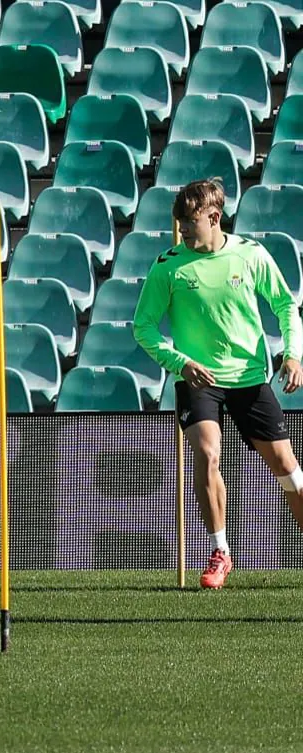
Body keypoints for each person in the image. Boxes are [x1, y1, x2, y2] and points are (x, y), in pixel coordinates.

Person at [134, 177, 303, 589]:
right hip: (198, 378)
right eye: (179, 223)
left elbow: (285, 305)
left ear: (214, 217)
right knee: (208, 453)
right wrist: (180, 361)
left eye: (190, 222)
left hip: (249, 379)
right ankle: (221, 551)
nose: (183, 230)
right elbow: (144, 327)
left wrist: (294, 353)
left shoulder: (250, 255)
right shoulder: (168, 265)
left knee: (289, 472)